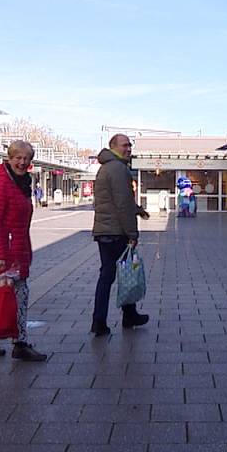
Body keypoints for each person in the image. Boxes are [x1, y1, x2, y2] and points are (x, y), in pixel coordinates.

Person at [0, 141, 47, 361]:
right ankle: (7, 341)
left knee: (16, 295)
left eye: (26, 158)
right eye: (18, 158)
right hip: (2, 252)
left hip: (17, 249)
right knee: (2, 295)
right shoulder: (0, 184)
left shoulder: (23, 182)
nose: (22, 162)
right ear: (9, 158)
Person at [91, 134, 150, 337]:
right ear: (113, 147)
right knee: (126, 274)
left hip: (104, 231)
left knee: (107, 275)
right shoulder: (118, 169)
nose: (129, 148)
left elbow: (119, 200)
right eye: (125, 145)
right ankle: (128, 315)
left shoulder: (107, 167)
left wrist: (138, 210)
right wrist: (132, 233)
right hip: (116, 232)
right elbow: (122, 204)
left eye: (130, 145)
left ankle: (100, 321)